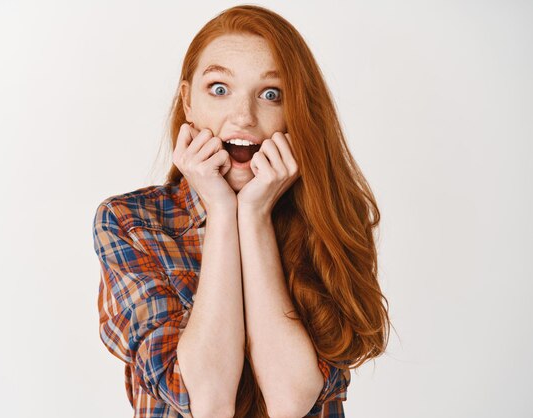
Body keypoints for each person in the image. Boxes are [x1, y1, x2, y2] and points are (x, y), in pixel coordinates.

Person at [92, 4, 391, 418]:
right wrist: (220, 208)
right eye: (219, 88)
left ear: (295, 112)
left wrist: (253, 217)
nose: (244, 116)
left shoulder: (332, 218)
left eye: (271, 94)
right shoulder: (130, 222)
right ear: (188, 102)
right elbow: (208, 401)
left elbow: (291, 400)